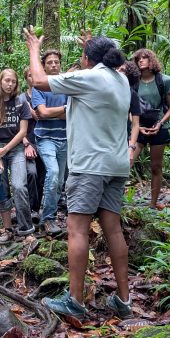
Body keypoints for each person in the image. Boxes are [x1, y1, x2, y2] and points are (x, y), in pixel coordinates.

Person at [27, 27, 134, 320]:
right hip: (115, 165)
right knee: (113, 229)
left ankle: (75, 301)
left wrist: (34, 49)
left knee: (77, 229)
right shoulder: (121, 80)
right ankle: (124, 300)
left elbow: (39, 81)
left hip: (89, 166)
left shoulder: (90, 78)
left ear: (87, 58)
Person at [0, 69, 33, 244]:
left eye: (13, 81)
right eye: (7, 80)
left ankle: (26, 229)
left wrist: (5, 150)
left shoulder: (21, 103)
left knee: (19, 186)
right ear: (0, 81)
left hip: (15, 149)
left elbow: (23, 131)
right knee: (0, 188)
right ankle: (7, 229)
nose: (10, 84)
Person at [130, 49, 170, 208]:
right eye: (138, 59)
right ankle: (116, 202)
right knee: (128, 161)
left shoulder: (164, 80)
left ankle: (152, 204)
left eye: (145, 58)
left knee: (156, 166)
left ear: (152, 60)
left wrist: (160, 124)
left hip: (159, 127)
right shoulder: (133, 82)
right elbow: (128, 108)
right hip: (138, 126)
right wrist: (137, 126)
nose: (141, 61)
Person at [31, 50, 68, 236]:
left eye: (56, 62)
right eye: (50, 62)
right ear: (44, 66)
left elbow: (72, 114)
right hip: (45, 137)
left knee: (59, 181)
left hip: (66, 138)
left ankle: (48, 213)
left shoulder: (68, 84)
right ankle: (48, 219)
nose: (53, 65)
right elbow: (42, 113)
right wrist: (66, 109)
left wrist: (52, 112)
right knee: (52, 173)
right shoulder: (38, 87)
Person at [20, 67, 45, 222]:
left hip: (44, 141)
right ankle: (31, 209)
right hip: (28, 142)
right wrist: (25, 142)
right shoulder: (21, 99)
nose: (32, 78)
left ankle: (36, 208)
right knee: (31, 173)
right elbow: (16, 125)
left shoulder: (45, 95)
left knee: (42, 178)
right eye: (29, 75)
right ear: (26, 78)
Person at [117, 60, 142, 167]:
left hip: (122, 138)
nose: (118, 71)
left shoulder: (132, 94)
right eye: (117, 68)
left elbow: (136, 124)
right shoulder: (105, 88)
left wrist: (131, 147)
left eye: (122, 70)